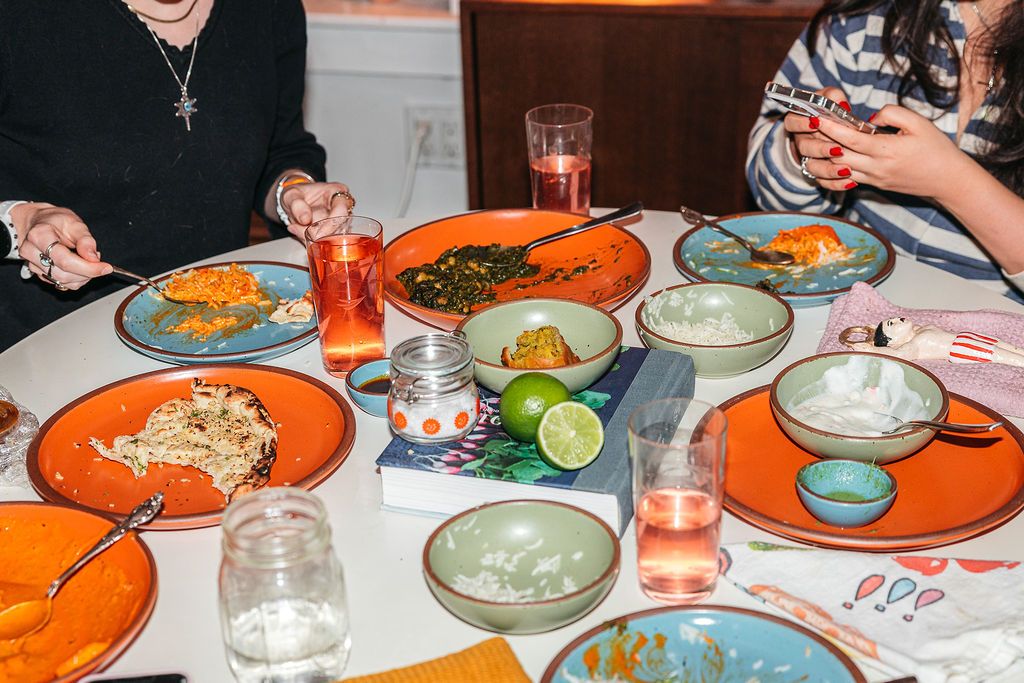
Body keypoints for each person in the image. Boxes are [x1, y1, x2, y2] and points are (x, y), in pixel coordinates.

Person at [0, 0, 353, 350]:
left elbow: (280, 147)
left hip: (225, 330)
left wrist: (290, 191)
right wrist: (21, 221)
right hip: (47, 343)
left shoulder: (271, 9)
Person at [747, 1, 1024, 302]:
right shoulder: (858, 20)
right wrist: (800, 150)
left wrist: (951, 182)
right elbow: (769, 198)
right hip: (845, 295)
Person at [840, 316, 1024, 366]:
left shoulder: (919, 330)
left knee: (1008, 347)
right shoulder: (915, 344)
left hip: (965, 337)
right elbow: (899, 355)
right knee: (1002, 355)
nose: (898, 319)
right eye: (892, 324)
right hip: (960, 347)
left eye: (893, 319)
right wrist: (872, 349)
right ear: (893, 340)